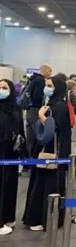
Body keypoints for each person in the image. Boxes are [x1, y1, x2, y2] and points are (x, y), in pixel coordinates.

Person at [23, 76, 71, 231]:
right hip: (47, 151)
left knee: (49, 186)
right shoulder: (52, 104)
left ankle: (46, 218)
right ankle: (40, 217)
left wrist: (42, 118)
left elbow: (55, 130)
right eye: (46, 85)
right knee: (41, 184)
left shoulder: (59, 107)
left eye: (50, 85)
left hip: (52, 153)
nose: (46, 88)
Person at [0, 79, 25, 235]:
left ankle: (8, 216)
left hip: (12, 152)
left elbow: (20, 128)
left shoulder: (15, 107)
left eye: (4, 87)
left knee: (10, 184)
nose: (1, 90)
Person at [23, 64, 52, 157]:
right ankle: (32, 158)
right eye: (50, 71)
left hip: (30, 111)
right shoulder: (40, 81)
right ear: (45, 70)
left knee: (30, 137)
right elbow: (38, 97)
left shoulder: (33, 80)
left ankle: (28, 157)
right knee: (36, 136)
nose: (51, 73)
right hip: (35, 111)